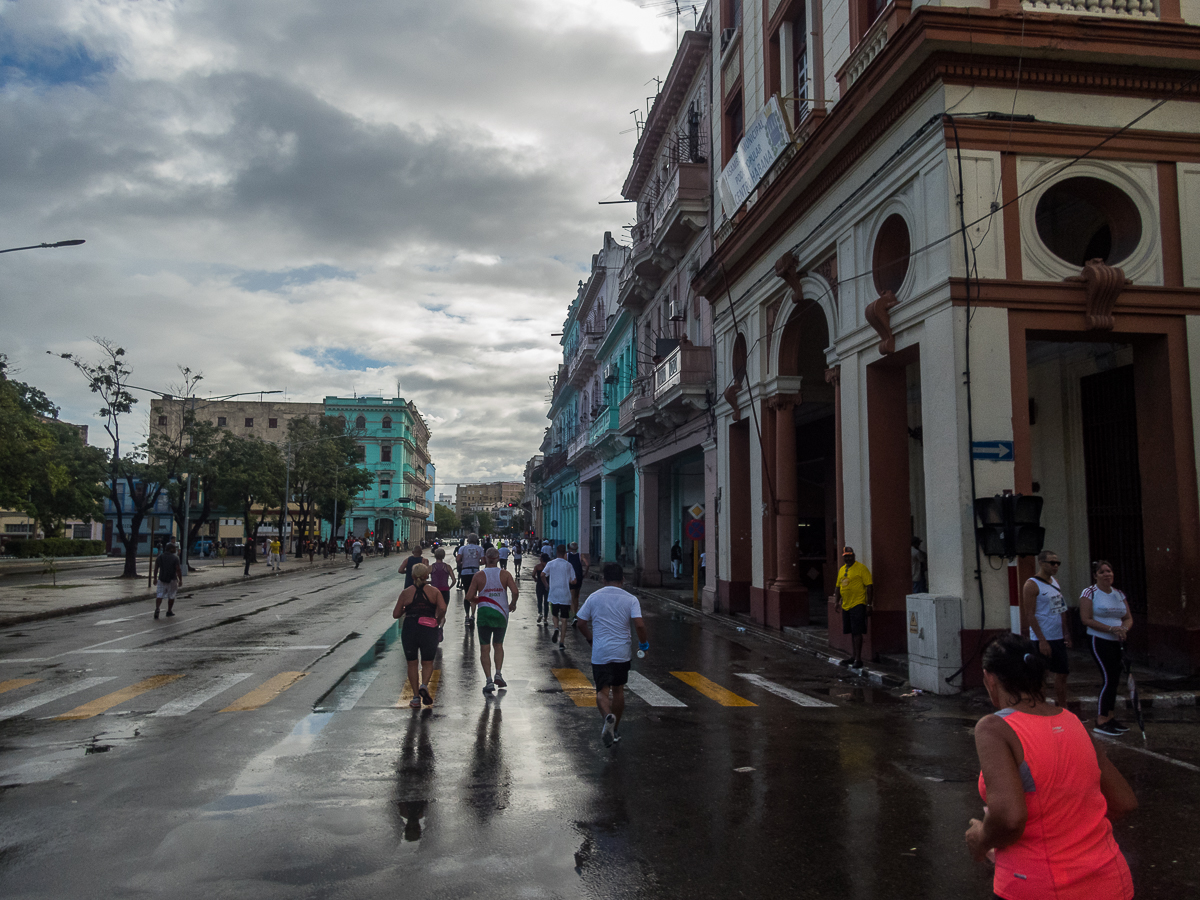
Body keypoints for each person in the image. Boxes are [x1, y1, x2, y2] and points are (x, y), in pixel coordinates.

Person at [966, 633, 1137, 899]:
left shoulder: (994, 728)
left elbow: (1009, 818)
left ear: (990, 678)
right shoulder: (1073, 722)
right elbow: (1124, 801)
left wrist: (982, 839)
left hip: (1040, 886)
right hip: (1110, 881)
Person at [576, 562, 649, 748]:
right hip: (622, 652)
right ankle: (615, 729)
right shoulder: (631, 599)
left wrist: (590, 639)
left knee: (602, 691)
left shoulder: (594, 597)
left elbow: (581, 623)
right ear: (623, 579)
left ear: (603, 579)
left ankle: (607, 717)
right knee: (618, 690)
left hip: (600, 652)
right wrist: (643, 644)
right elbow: (639, 625)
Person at [1080, 560, 1135, 736]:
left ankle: (1111, 716)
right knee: (1108, 677)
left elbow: (1128, 617)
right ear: (1095, 575)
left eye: (1109, 571)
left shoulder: (1118, 594)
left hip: (1118, 641)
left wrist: (1123, 629)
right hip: (1099, 640)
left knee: (1116, 678)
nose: (1106, 574)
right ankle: (1101, 719)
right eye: (1102, 572)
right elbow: (1086, 619)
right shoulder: (1089, 593)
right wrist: (1110, 629)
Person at [465, 548, 519, 695]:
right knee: (499, 645)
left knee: (484, 648)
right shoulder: (505, 574)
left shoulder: (478, 576)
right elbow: (515, 591)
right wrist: (513, 604)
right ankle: (498, 674)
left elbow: (469, 596)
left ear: (485, 558)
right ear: (497, 559)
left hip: (484, 614)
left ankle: (489, 681)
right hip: (501, 613)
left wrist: (480, 599)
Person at [1021, 549, 1071, 710]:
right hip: (1043, 637)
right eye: (1052, 563)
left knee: (1062, 672)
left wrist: (1066, 632)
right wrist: (1042, 640)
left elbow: (1060, 609)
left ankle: (1063, 706)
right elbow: (1029, 614)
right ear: (1041, 563)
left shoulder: (1055, 582)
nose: (1055, 566)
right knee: (1042, 675)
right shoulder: (1031, 585)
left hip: (1057, 635)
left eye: (1057, 563)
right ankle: (1041, 707)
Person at [392, 563, 447, 709]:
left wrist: (406, 609)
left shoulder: (406, 593)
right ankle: (424, 685)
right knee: (428, 662)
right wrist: (437, 618)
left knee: (412, 663)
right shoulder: (434, 591)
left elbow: (395, 614)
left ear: (412, 576)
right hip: (428, 628)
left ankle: (415, 698)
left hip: (410, 628)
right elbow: (442, 607)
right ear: (426, 576)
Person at [835, 546, 873, 668]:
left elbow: (869, 586)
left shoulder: (861, 568)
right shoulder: (842, 570)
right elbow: (838, 586)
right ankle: (853, 656)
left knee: (857, 631)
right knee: (851, 631)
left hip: (858, 604)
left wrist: (868, 604)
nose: (848, 558)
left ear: (854, 556)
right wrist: (837, 601)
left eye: (850, 556)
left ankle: (858, 659)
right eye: (846, 556)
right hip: (846, 605)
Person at [542, 544, 576, 650]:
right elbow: (574, 581)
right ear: (565, 553)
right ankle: (562, 642)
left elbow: (542, 575)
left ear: (556, 552)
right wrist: (569, 580)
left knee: (555, 614)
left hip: (554, 594)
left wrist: (546, 585)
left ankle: (556, 628)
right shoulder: (568, 565)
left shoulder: (550, 564)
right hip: (565, 595)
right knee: (564, 619)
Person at [456, 534, 485, 624]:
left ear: (468, 540)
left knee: (467, 593)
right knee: (474, 593)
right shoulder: (480, 549)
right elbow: (483, 561)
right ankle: (473, 615)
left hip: (465, 572)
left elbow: (458, 559)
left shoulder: (462, 548)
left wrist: (462, 563)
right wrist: (476, 563)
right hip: (475, 572)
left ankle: (467, 615)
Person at [153, 541, 183, 618]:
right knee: (172, 595)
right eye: (174, 548)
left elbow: (156, 568)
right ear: (170, 549)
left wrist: (155, 578)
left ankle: (157, 608)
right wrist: (180, 580)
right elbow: (178, 570)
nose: (175, 550)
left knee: (159, 594)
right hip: (172, 579)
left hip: (161, 579)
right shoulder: (175, 558)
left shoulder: (159, 557)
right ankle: (169, 611)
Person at [567, 541, 589, 625]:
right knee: (576, 597)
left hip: (571, 578)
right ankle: (575, 613)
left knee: (572, 597)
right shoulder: (581, 555)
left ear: (570, 548)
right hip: (579, 577)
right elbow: (587, 564)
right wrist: (585, 573)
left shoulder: (567, 556)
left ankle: (573, 616)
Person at [533, 552, 551, 624]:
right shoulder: (549, 566)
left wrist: (535, 579)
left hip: (539, 585)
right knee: (546, 602)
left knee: (539, 600)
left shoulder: (538, 566)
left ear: (542, 559)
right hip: (547, 585)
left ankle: (540, 613)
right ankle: (545, 619)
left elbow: (533, 574)